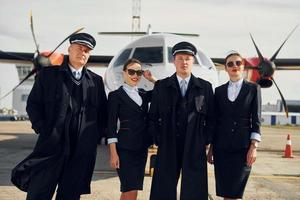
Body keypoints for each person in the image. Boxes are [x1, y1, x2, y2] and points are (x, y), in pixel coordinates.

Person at [11, 32, 108, 200]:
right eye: (79, 48)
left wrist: (93, 137)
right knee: (39, 193)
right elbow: (33, 104)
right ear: (69, 49)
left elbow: (102, 114)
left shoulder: (96, 81)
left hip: (80, 152)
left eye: (87, 50)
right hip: (51, 147)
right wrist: (43, 128)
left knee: (70, 195)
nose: (82, 52)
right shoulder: (48, 76)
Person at [148, 41, 215, 200]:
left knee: (195, 188)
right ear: (173, 61)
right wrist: (159, 139)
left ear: (193, 61)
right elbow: (152, 117)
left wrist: (204, 139)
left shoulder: (205, 87)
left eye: (188, 59)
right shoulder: (161, 86)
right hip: (168, 143)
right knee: (163, 188)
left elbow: (212, 119)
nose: (184, 62)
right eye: (180, 58)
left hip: (194, 145)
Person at [207, 50, 261, 200]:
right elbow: (215, 120)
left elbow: (256, 119)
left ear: (243, 66)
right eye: (230, 64)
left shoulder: (253, 89)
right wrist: (211, 148)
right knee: (225, 191)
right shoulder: (218, 91)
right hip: (221, 147)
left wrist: (253, 147)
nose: (234, 66)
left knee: (235, 191)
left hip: (242, 148)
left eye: (238, 63)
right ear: (226, 68)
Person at [107, 58, 156, 200]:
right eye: (131, 71)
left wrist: (151, 78)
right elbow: (110, 126)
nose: (135, 75)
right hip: (124, 150)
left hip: (141, 150)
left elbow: (162, 88)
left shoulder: (144, 94)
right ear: (124, 73)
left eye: (139, 72)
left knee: (132, 189)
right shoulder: (115, 96)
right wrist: (113, 153)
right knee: (129, 188)